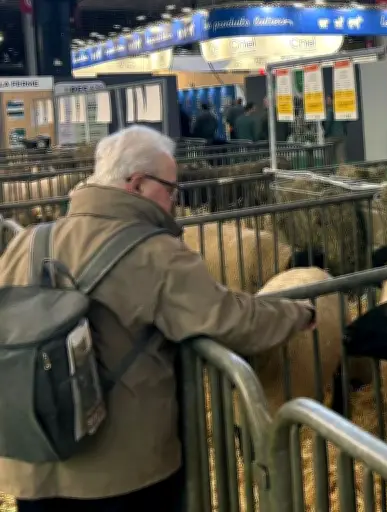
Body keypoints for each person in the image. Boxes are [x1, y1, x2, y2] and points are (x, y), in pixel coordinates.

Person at [0, 125, 315, 512]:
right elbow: (229, 319)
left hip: (30, 465)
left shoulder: (27, 242)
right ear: (136, 183)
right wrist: (297, 313)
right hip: (122, 473)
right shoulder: (154, 252)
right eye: (170, 189)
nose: (174, 202)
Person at [323, 95, 347, 164]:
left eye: (328, 99)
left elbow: (328, 122)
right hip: (341, 135)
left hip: (331, 136)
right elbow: (346, 121)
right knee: (341, 157)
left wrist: (325, 134)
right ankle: (343, 172)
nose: (326, 101)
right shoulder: (340, 109)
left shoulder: (329, 110)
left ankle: (328, 172)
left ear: (332, 100)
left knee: (328, 157)